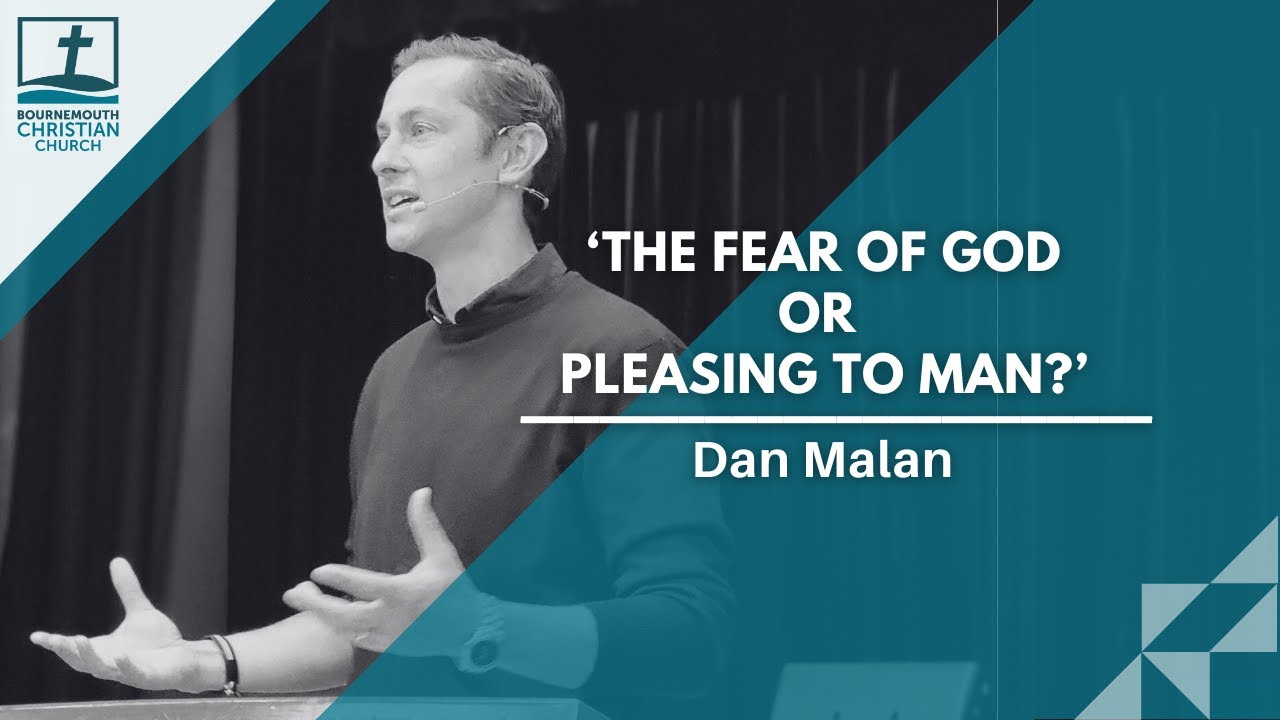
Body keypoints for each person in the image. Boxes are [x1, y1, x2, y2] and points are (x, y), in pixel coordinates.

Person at [29, 33, 733, 717]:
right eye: (382, 134)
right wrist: (201, 661)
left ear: (515, 153)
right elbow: (376, 626)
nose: (383, 160)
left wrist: (481, 626)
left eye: (420, 130)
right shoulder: (394, 370)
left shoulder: (623, 350)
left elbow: (692, 637)